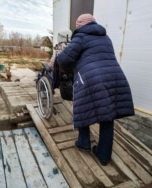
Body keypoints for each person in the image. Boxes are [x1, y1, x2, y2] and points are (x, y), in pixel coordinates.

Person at [56, 13, 135, 166]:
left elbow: (64, 59)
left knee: (81, 107)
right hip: (114, 77)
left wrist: (65, 66)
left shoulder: (80, 37)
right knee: (107, 115)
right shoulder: (106, 38)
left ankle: (83, 142)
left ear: (79, 26)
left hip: (92, 79)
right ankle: (103, 155)